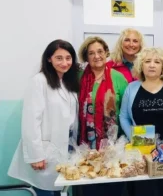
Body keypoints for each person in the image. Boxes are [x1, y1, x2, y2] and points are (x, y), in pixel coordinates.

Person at [8, 40, 80, 196]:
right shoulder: (39, 81)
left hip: (66, 146)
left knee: (60, 190)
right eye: (59, 58)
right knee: (46, 191)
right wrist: (36, 155)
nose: (64, 62)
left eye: (68, 58)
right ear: (49, 59)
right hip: (45, 151)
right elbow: (31, 121)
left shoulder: (69, 83)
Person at [120, 47, 163, 196]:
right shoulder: (131, 88)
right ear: (141, 65)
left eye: (157, 62)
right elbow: (124, 117)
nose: (152, 65)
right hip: (142, 152)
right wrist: (133, 138)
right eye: (147, 61)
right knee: (144, 190)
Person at [77, 36, 128, 196]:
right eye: (91, 53)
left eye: (100, 51)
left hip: (113, 147)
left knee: (114, 189)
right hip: (87, 149)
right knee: (90, 188)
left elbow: (126, 110)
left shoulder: (118, 78)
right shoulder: (79, 78)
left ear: (106, 53)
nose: (96, 56)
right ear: (86, 57)